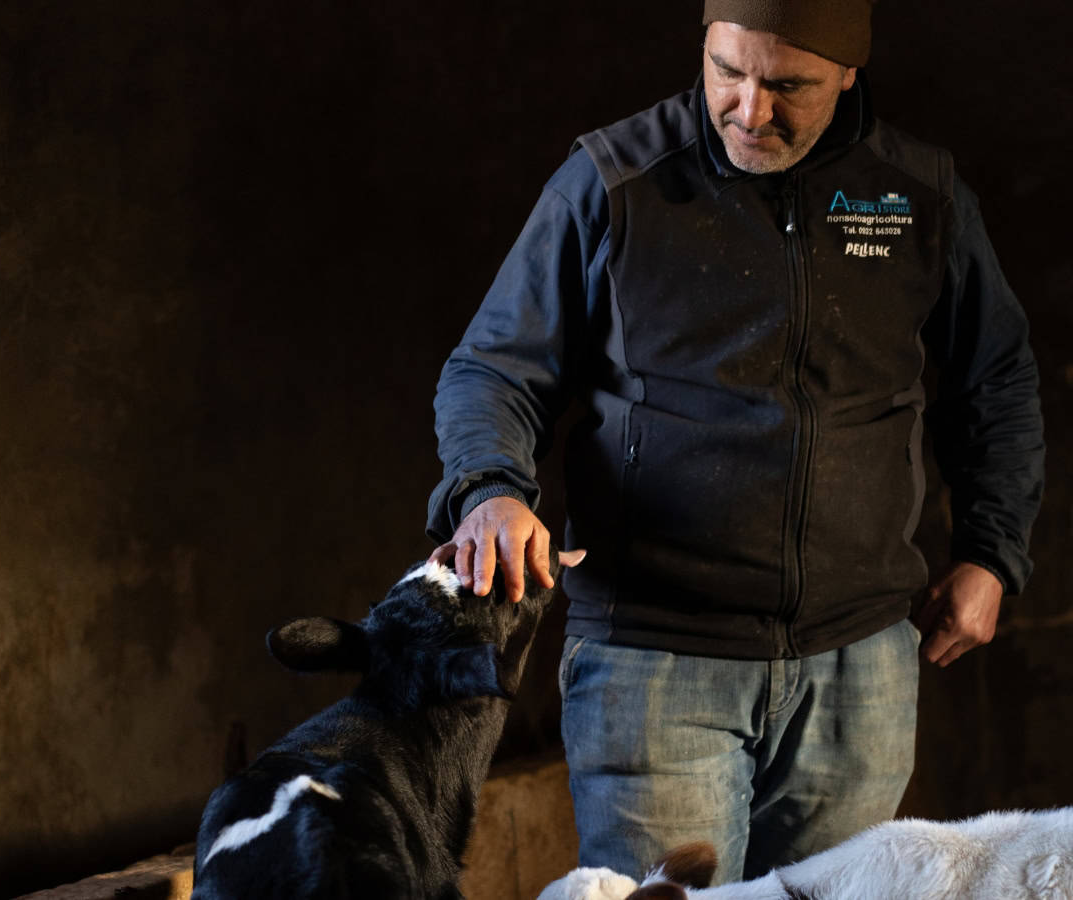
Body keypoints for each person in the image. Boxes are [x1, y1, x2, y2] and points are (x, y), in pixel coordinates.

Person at [426, 0, 1044, 887]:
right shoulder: (614, 180)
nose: (750, 110)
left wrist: (992, 553)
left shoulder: (918, 193)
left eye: (788, 85)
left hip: (859, 665)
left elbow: (997, 382)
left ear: (847, 75)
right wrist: (489, 489)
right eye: (728, 73)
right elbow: (493, 368)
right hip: (656, 662)